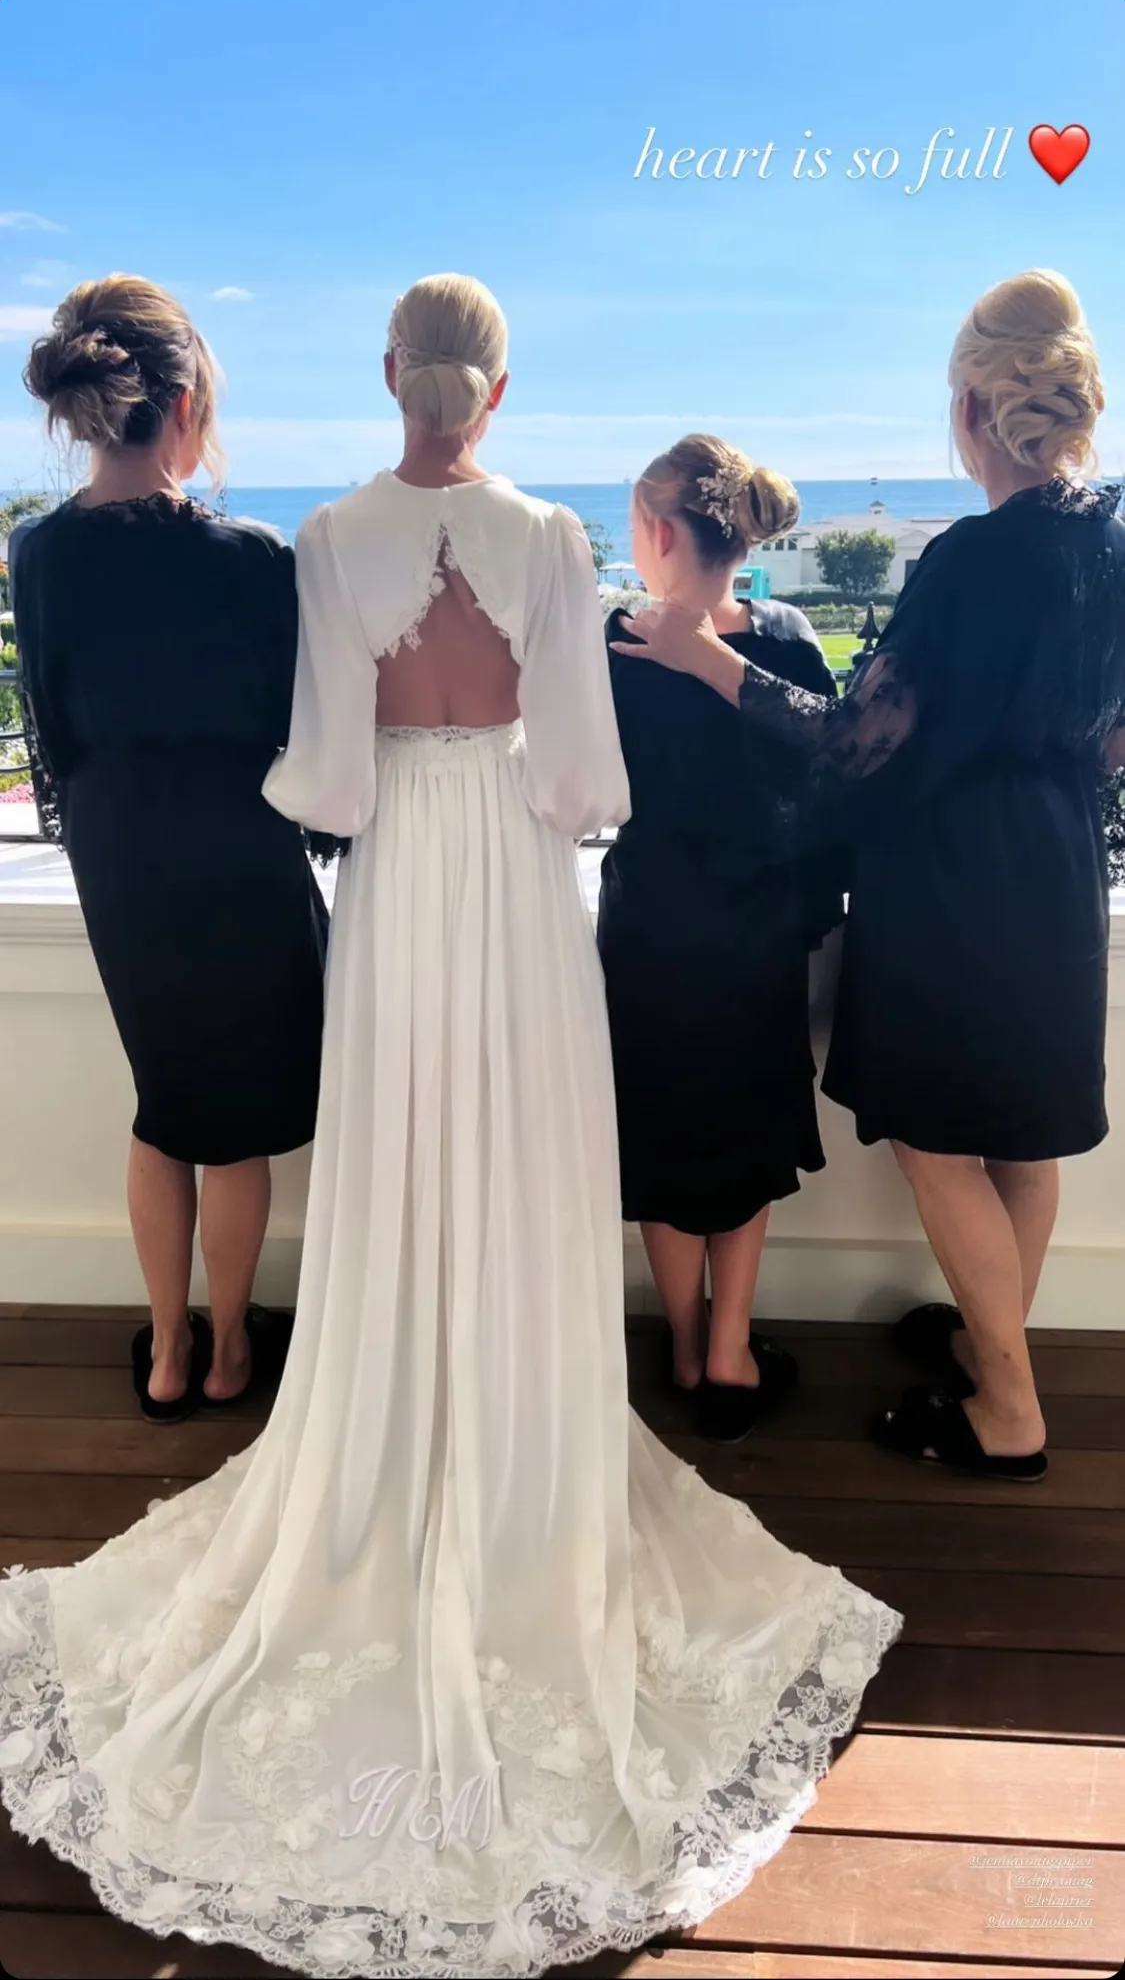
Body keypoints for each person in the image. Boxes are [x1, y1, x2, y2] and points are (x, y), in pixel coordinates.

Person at [0, 273, 897, 1979]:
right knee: (521, 1150)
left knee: (402, 1149)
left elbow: (322, 780)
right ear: (494, 393)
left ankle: (380, 1421)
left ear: (387, 377)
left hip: (401, 881)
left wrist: (384, 779)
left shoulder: (323, 538)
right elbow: (585, 780)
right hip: (516, 877)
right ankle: (516, 1433)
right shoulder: (554, 538)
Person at [615, 270, 1125, 1486]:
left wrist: (702, 660)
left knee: (940, 1143)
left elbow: (852, 745)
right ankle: (992, 1346)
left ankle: (1007, 1408)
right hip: (1060, 861)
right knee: (1024, 1140)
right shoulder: (1115, 541)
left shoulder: (969, 562)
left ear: (970, 411)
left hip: (958, 881)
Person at [10, 276, 328, 1421]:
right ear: (186, 404)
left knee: (164, 1106)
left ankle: (164, 1356)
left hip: (123, 859)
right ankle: (231, 1350)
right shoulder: (255, 556)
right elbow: (306, 732)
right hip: (240, 855)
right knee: (234, 1127)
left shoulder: (38, 555)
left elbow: (51, 728)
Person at [600, 435, 841, 1441]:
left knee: (662, 1136)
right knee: (745, 1137)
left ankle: (688, 1342)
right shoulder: (787, 641)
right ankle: (733, 1352)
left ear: (659, 533)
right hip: (757, 928)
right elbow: (830, 768)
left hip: (651, 926)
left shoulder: (617, 645)